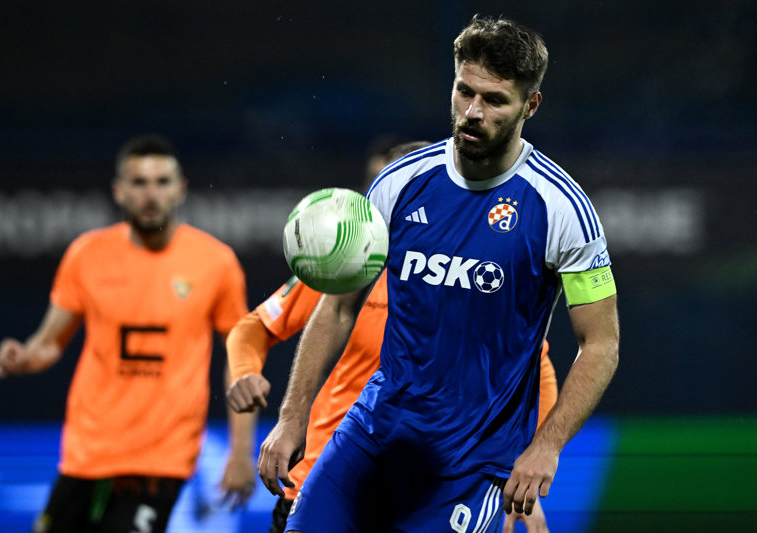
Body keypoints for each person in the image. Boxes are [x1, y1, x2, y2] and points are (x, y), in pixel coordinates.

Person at [262, 14, 619, 532]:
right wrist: (293, 416)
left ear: (531, 105)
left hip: (470, 464)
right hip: (372, 437)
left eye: (494, 100)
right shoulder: (398, 183)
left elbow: (601, 344)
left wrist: (547, 446)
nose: (473, 112)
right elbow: (337, 305)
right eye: (464, 92)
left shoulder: (561, 209)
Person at [226, 140, 559, 532]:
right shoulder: (342, 267)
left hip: (428, 485)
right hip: (322, 473)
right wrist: (247, 373)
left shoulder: (464, 282)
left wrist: (521, 472)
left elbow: (537, 372)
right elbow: (253, 328)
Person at [0, 134, 257, 533]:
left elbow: (242, 360)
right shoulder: (86, 255)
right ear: (119, 191)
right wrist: (24, 358)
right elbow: (48, 344)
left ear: (181, 189)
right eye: (139, 182)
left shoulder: (215, 263)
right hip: (87, 452)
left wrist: (241, 452)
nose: (151, 194)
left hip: (161, 460)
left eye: (162, 182)